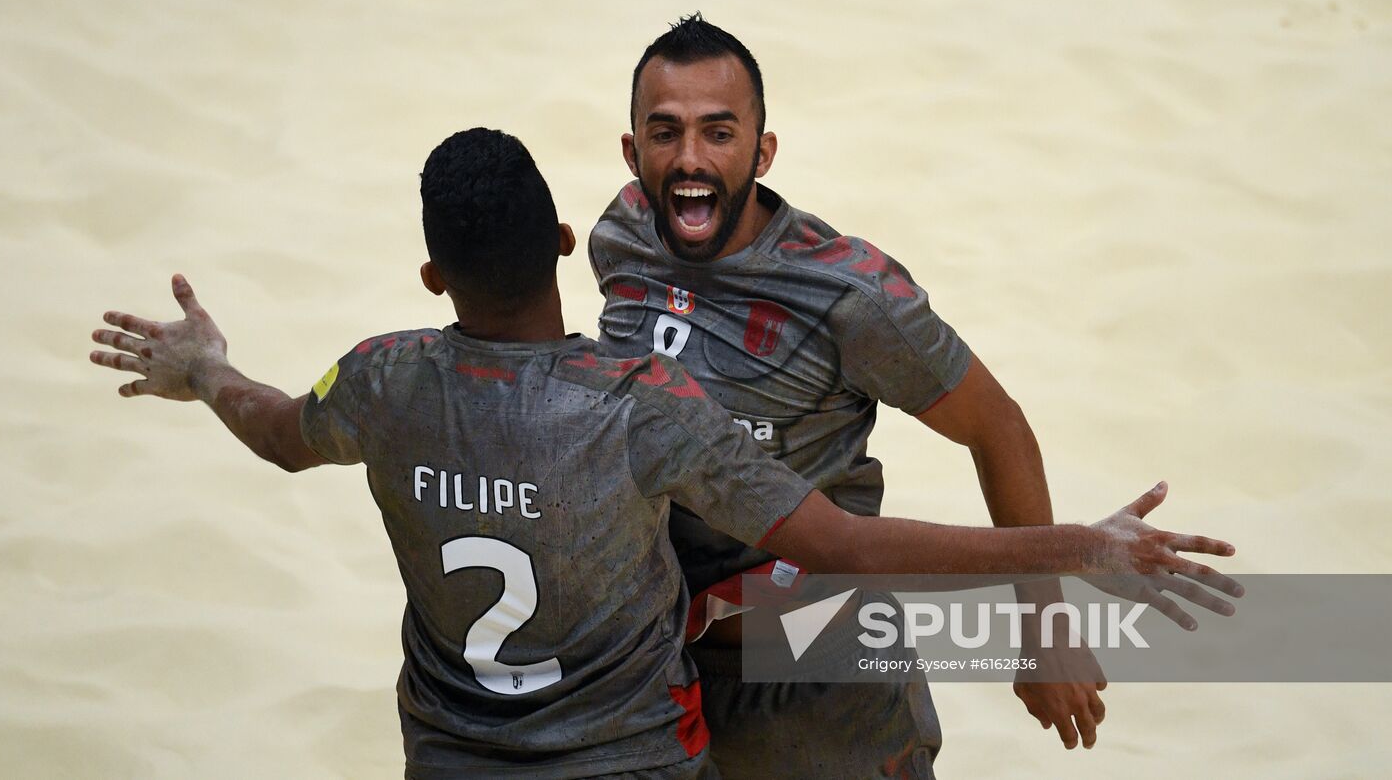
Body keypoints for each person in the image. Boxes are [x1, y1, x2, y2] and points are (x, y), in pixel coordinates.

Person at [91, 128, 1238, 778]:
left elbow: (281, 432)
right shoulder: (642, 404)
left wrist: (205, 373)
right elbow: (842, 539)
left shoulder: (383, 377)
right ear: (559, 244)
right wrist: (1074, 546)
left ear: (433, 276)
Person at [588, 13, 1154, 777]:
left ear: (763, 150)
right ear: (633, 151)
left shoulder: (847, 293)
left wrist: (1044, 623)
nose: (691, 157)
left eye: (719, 133)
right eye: (666, 132)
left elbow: (1000, 427)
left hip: (825, 683)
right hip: (668, 678)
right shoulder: (620, 237)